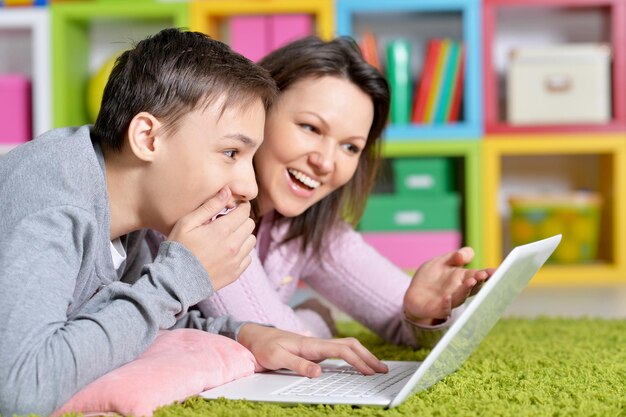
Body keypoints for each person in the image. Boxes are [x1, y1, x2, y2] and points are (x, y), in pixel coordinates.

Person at [0, 29, 387, 417]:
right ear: (148, 138)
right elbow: (20, 389)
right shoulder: (53, 207)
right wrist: (177, 278)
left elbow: (133, 317)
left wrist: (245, 335)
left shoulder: (132, 212)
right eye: (231, 152)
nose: (249, 188)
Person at [199, 36, 494, 347]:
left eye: (350, 147)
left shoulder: (313, 229)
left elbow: (414, 326)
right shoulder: (210, 203)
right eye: (311, 128)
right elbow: (280, 343)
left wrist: (424, 313)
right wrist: (317, 318)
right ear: (257, 110)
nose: (325, 162)